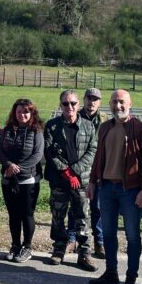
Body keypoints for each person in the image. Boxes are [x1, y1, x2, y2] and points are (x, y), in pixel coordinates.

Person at [88, 89, 142, 284]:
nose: (118, 106)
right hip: (106, 187)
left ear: (130, 103)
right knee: (108, 233)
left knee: (132, 236)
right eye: (114, 102)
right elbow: (99, 156)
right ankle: (111, 272)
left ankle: (131, 277)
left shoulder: (140, 129)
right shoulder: (105, 127)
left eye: (122, 102)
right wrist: (92, 181)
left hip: (131, 190)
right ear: (109, 104)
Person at [44, 89, 98, 272]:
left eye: (73, 103)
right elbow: (49, 152)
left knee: (83, 217)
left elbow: (92, 151)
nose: (69, 107)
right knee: (58, 215)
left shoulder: (89, 126)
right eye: (65, 104)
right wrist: (65, 172)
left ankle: (84, 252)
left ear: (78, 105)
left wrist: (74, 171)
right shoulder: (52, 126)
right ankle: (59, 247)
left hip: (81, 181)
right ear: (60, 105)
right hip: (59, 180)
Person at [0, 99, 44, 263]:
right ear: (14, 113)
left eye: (26, 111)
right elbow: (0, 151)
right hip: (8, 179)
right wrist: (8, 165)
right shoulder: (7, 130)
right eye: (19, 111)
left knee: (27, 214)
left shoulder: (36, 131)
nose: (22, 115)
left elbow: (37, 155)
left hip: (28, 179)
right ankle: (15, 245)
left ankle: (27, 247)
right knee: (13, 215)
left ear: (32, 113)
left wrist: (18, 168)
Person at [69, 87, 108, 258]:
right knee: (75, 206)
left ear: (100, 102)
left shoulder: (105, 120)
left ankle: (99, 242)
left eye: (95, 99)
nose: (92, 102)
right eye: (89, 99)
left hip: (99, 168)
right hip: (80, 168)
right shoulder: (75, 116)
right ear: (83, 100)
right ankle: (72, 239)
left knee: (97, 207)